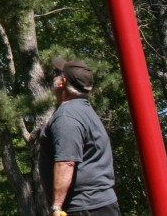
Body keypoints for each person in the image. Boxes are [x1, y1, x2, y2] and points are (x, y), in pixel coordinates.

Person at [38, 57, 121, 216]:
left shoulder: (67, 116)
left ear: (62, 82)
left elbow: (66, 162)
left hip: (84, 208)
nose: (54, 77)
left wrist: (57, 207)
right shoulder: (84, 110)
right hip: (96, 205)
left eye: (57, 73)